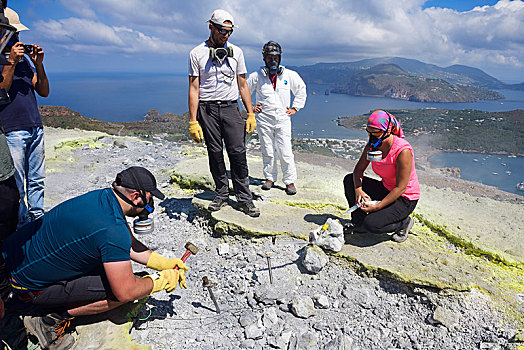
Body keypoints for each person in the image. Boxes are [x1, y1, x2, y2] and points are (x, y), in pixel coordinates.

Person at [0, 166, 188, 349]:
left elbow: (129, 243)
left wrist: (162, 263)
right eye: (149, 199)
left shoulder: (103, 198)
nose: (150, 206)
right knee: (133, 286)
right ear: (135, 196)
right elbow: (126, 291)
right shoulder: (112, 229)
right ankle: (48, 321)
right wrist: (157, 283)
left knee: (125, 275)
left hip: (10, 263)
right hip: (23, 288)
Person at [188, 9, 260, 217]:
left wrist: (250, 112)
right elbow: (194, 87)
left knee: (238, 153)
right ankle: (221, 193)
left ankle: (244, 198)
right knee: (215, 152)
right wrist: (193, 121)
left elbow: (243, 83)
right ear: (211, 26)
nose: (226, 36)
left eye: (229, 32)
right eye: (222, 31)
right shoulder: (196, 53)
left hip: (230, 107)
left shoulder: (237, 52)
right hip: (207, 109)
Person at [0, 7, 49, 226]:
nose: (18, 38)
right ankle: (20, 223)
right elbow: (2, 89)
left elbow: (44, 91)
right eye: (14, 34)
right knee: (17, 182)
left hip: (34, 126)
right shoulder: (5, 59)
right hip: (12, 129)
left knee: (37, 179)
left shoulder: (24, 62)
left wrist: (38, 63)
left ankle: (37, 218)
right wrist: (9, 61)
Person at [343, 110, 420, 243]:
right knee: (350, 180)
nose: (372, 136)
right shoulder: (373, 146)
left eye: (376, 132)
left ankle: (404, 223)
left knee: (372, 224)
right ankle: (358, 222)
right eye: (369, 131)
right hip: (387, 188)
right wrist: (358, 190)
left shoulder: (403, 151)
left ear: (387, 130)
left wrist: (377, 207)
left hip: (405, 198)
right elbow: (358, 170)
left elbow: (401, 187)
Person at [247, 41, 307, 195]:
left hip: (282, 120)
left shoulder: (289, 75)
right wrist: (251, 108)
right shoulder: (257, 76)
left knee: (285, 151)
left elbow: (301, 89)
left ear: (280, 58)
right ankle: (269, 178)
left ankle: (289, 181)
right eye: (269, 57)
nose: (272, 60)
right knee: (267, 150)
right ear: (264, 58)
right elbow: (243, 91)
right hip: (264, 120)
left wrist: (295, 108)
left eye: (275, 57)